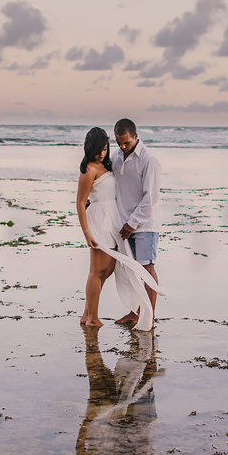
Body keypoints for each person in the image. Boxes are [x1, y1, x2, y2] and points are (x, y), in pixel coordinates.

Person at [76, 126, 162, 330]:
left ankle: (89, 314)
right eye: (99, 149)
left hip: (118, 223)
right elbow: (80, 202)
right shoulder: (90, 168)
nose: (103, 152)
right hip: (102, 222)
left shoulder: (119, 162)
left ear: (135, 137)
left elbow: (150, 197)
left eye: (105, 148)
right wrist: (86, 231)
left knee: (109, 270)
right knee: (96, 271)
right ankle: (91, 318)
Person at [110, 118, 162, 328]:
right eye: (119, 142)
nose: (122, 147)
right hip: (123, 224)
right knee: (131, 272)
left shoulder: (149, 160)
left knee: (146, 268)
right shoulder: (115, 157)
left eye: (126, 143)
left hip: (144, 224)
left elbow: (151, 198)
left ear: (136, 137)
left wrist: (132, 223)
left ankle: (149, 316)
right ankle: (135, 313)